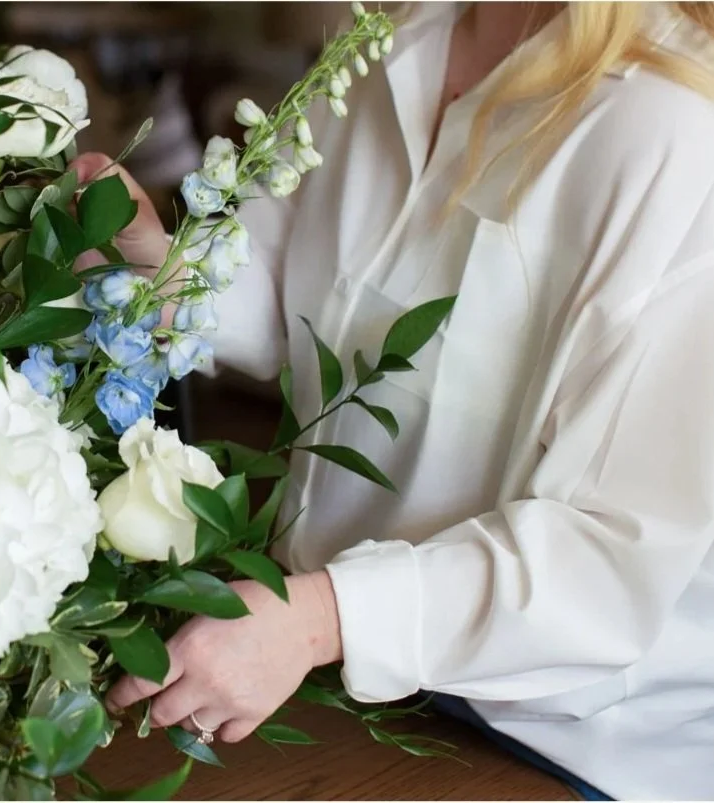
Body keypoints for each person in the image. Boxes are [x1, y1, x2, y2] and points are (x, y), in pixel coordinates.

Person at [71, 2, 714, 799]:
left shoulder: (676, 128)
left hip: (556, 739)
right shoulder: (394, 35)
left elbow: (607, 561)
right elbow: (294, 301)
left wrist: (318, 618)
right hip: (320, 659)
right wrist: (160, 271)